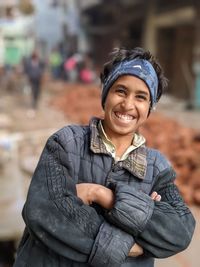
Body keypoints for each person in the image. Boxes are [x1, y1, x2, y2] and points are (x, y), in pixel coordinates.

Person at [13, 47, 195, 267]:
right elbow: (45, 214)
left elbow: (179, 231)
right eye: (120, 91)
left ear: (150, 107)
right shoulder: (66, 143)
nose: (128, 105)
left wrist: (101, 195)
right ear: (105, 94)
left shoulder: (156, 167)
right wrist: (133, 245)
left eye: (140, 97)